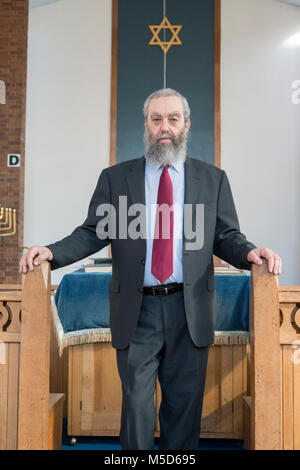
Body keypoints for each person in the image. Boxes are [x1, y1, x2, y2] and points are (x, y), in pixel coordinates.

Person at [19, 88, 282, 450]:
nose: (165, 127)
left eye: (173, 119)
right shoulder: (115, 178)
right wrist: (49, 251)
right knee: (138, 408)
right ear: (146, 124)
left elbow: (225, 235)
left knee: (183, 409)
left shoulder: (213, 178)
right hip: (137, 309)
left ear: (186, 124)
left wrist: (252, 252)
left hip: (189, 310)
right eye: (156, 119)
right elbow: (93, 231)